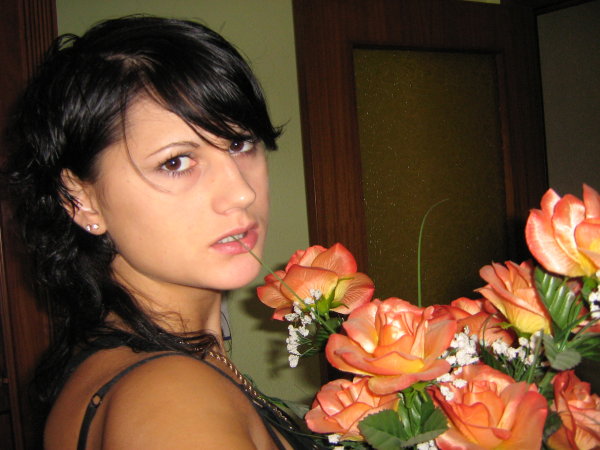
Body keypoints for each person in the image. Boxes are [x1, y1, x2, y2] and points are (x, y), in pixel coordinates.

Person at [5, 16, 317, 449]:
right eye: (176, 162)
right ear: (81, 199)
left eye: (239, 143)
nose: (241, 193)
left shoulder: (138, 363)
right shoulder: (173, 401)